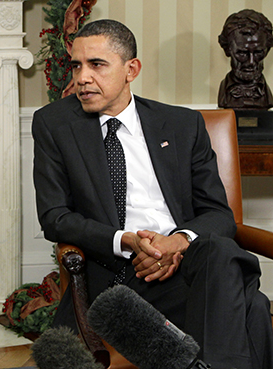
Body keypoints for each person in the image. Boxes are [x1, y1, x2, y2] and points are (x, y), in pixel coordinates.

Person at [33, 19, 273, 369]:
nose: (82, 77)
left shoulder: (180, 125)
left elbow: (218, 214)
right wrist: (127, 241)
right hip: (117, 276)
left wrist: (176, 243)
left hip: (186, 267)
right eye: (76, 65)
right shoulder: (54, 124)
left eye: (97, 65)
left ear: (131, 69)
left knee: (218, 249)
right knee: (249, 306)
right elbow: (55, 218)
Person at [218, 9, 273, 109]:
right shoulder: (224, 93)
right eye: (242, 53)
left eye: (258, 53)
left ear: (267, 50)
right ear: (227, 50)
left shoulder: (266, 95)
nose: (251, 62)